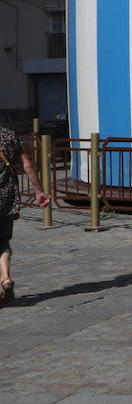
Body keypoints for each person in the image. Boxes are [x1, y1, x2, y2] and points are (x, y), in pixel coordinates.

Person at [0, 123, 51, 306]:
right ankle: (5, 278)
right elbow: (27, 164)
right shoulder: (9, 135)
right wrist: (39, 191)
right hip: (6, 197)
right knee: (3, 240)